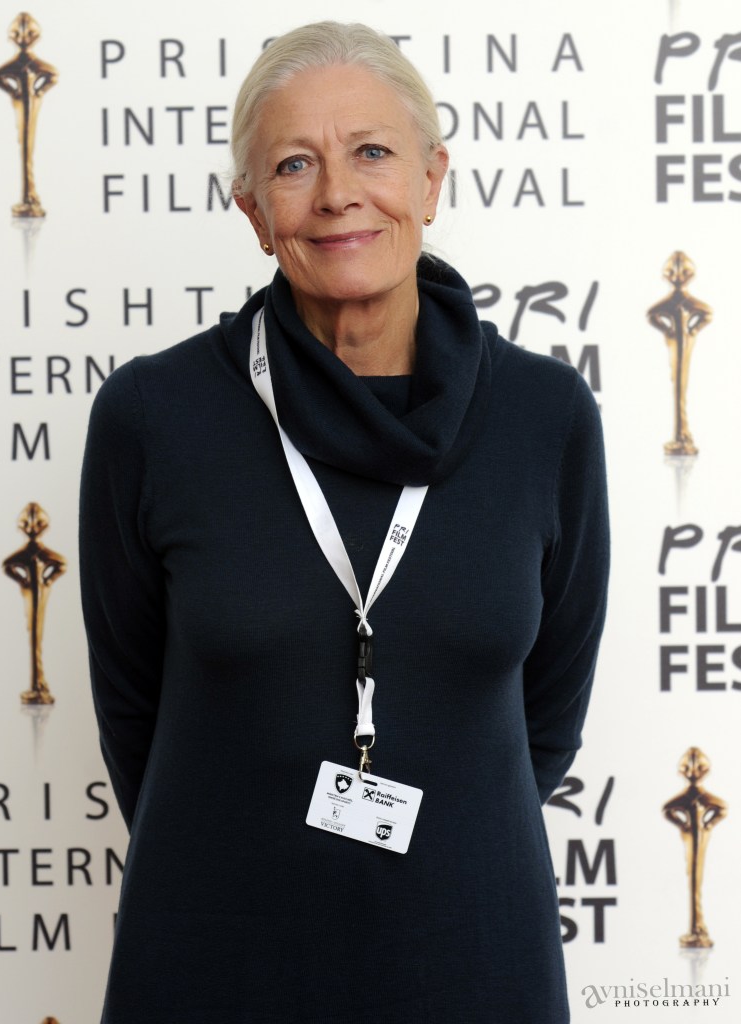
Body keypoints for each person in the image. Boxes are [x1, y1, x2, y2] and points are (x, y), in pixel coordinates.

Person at [80, 21, 609, 1024]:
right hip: (213, 955)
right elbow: (131, 716)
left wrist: (440, 847)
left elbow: (549, 713)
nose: (335, 194)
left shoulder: (545, 417)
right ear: (252, 211)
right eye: (293, 165)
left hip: (472, 950)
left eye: (371, 151)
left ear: (430, 179)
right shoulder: (153, 416)